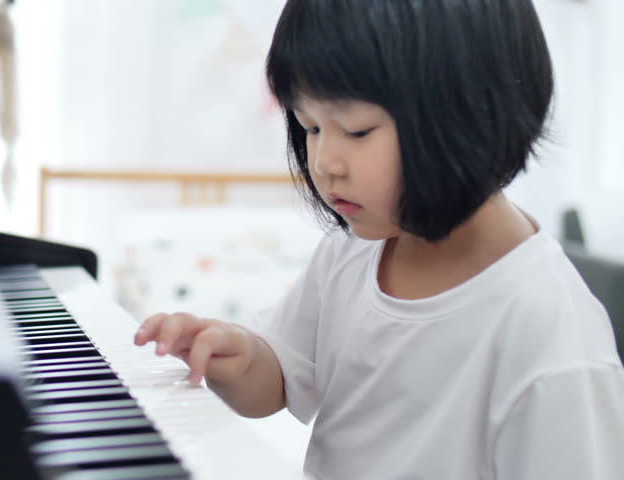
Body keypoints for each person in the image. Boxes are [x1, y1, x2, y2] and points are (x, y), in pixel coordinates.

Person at [134, 0, 624, 478]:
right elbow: (281, 376)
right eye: (310, 126)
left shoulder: (549, 336)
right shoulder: (355, 251)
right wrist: (234, 359)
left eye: (356, 130)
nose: (324, 161)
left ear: (467, 112)